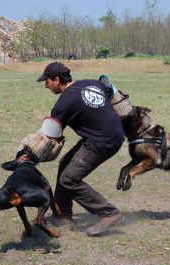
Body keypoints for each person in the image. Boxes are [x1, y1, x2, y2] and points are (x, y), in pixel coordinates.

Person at [37, 62, 125, 236]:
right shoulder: (91, 83)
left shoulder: (64, 102)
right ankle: (63, 215)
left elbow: (51, 132)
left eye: (47, 82)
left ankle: (108, 213)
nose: (46, 86)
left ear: (56, 80)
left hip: (102, 141)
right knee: (66, 163)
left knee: (69, 179)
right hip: (112, 133)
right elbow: (109, 89)